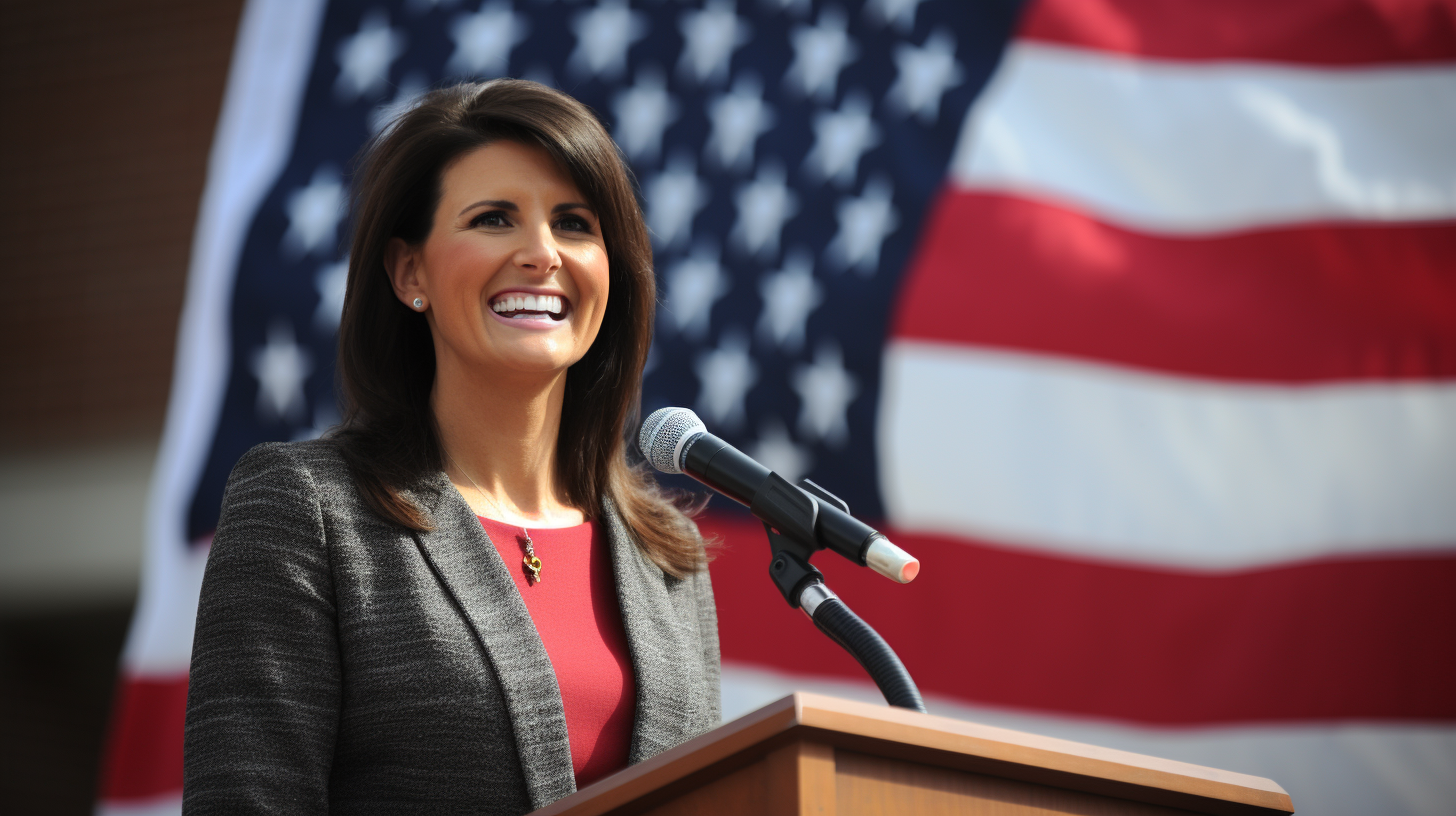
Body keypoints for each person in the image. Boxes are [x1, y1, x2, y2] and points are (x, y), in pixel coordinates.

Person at [183, 79, 721, 814]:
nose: (541, 254)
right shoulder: (305, 510)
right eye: (494, 219)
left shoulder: (669, 558)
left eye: (574, 224)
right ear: (411, 274)